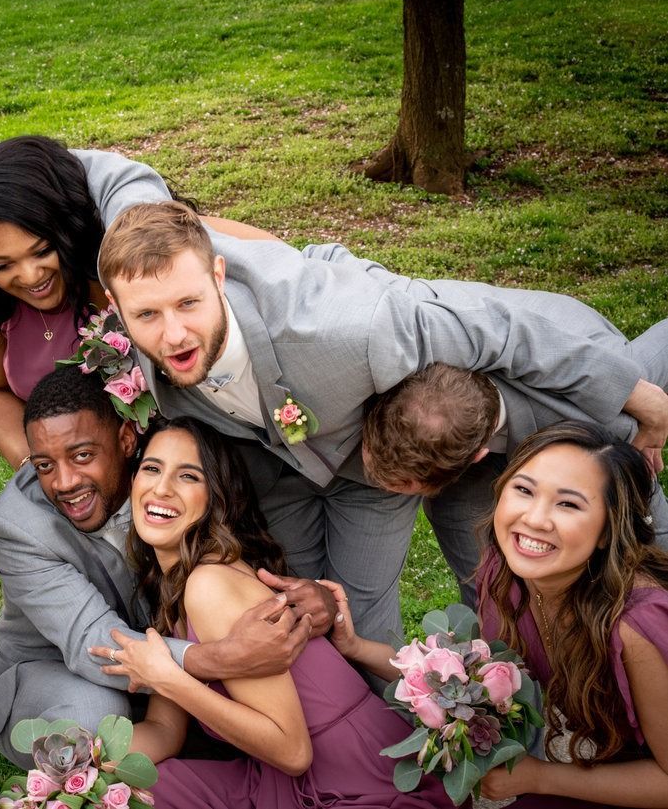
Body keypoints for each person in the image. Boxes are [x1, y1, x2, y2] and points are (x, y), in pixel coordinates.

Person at [98, 200, 668, 645]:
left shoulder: (355, 332)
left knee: (368, 606)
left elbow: (499, 329)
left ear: (218, 277)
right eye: (147, 314)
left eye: (188, 305)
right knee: (295, 602)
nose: (171, 334)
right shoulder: (145, 367)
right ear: (115, 308)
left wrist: (639, 398)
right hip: (280, 475)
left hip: (377, 468)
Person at [0, 367, 336, 768]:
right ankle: (67, 779)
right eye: (44, 466)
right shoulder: (14, 526)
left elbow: (237, 557)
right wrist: (224, 658)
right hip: (51, 667)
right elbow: (92, 643)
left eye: (82, 455)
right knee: (96, 716)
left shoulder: (162, 475)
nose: (64, 483)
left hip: (163, 668)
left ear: (126, 440)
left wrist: (314, 600)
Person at [100, 417, 454, 808]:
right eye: (152, 468)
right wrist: (85, 763)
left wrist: (169, 679)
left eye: (188, 477)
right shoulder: (177, 589)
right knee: (134, 792)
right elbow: (164, 731)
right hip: (281, 775)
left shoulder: (209, 585)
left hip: (356, 774)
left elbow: (293, 751)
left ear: (215, 497)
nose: (161, 488)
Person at [327, 422, 668, 808]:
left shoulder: (638, 625)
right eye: (524, 490)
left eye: (568, 503)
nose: (535, 519)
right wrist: (353, 646)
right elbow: (469, 681)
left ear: (609, 530)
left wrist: (539, 777)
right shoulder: (507, 577)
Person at [307, 240, 668, 600]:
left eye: (402, 485)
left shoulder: (597, 417)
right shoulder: (401, 332)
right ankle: (495, 634)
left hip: (566, 345)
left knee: (651, 552)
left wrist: (654, 419)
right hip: (480, 379)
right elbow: (327, 256)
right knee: (473, 555)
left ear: (477, 454)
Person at [0, 134, 279, 468]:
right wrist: (42, 466)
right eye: (1, 265)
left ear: (67, 229)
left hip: (213, 463)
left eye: (42, 251)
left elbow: (274, 262)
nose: (30, 276)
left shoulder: (132, 262)